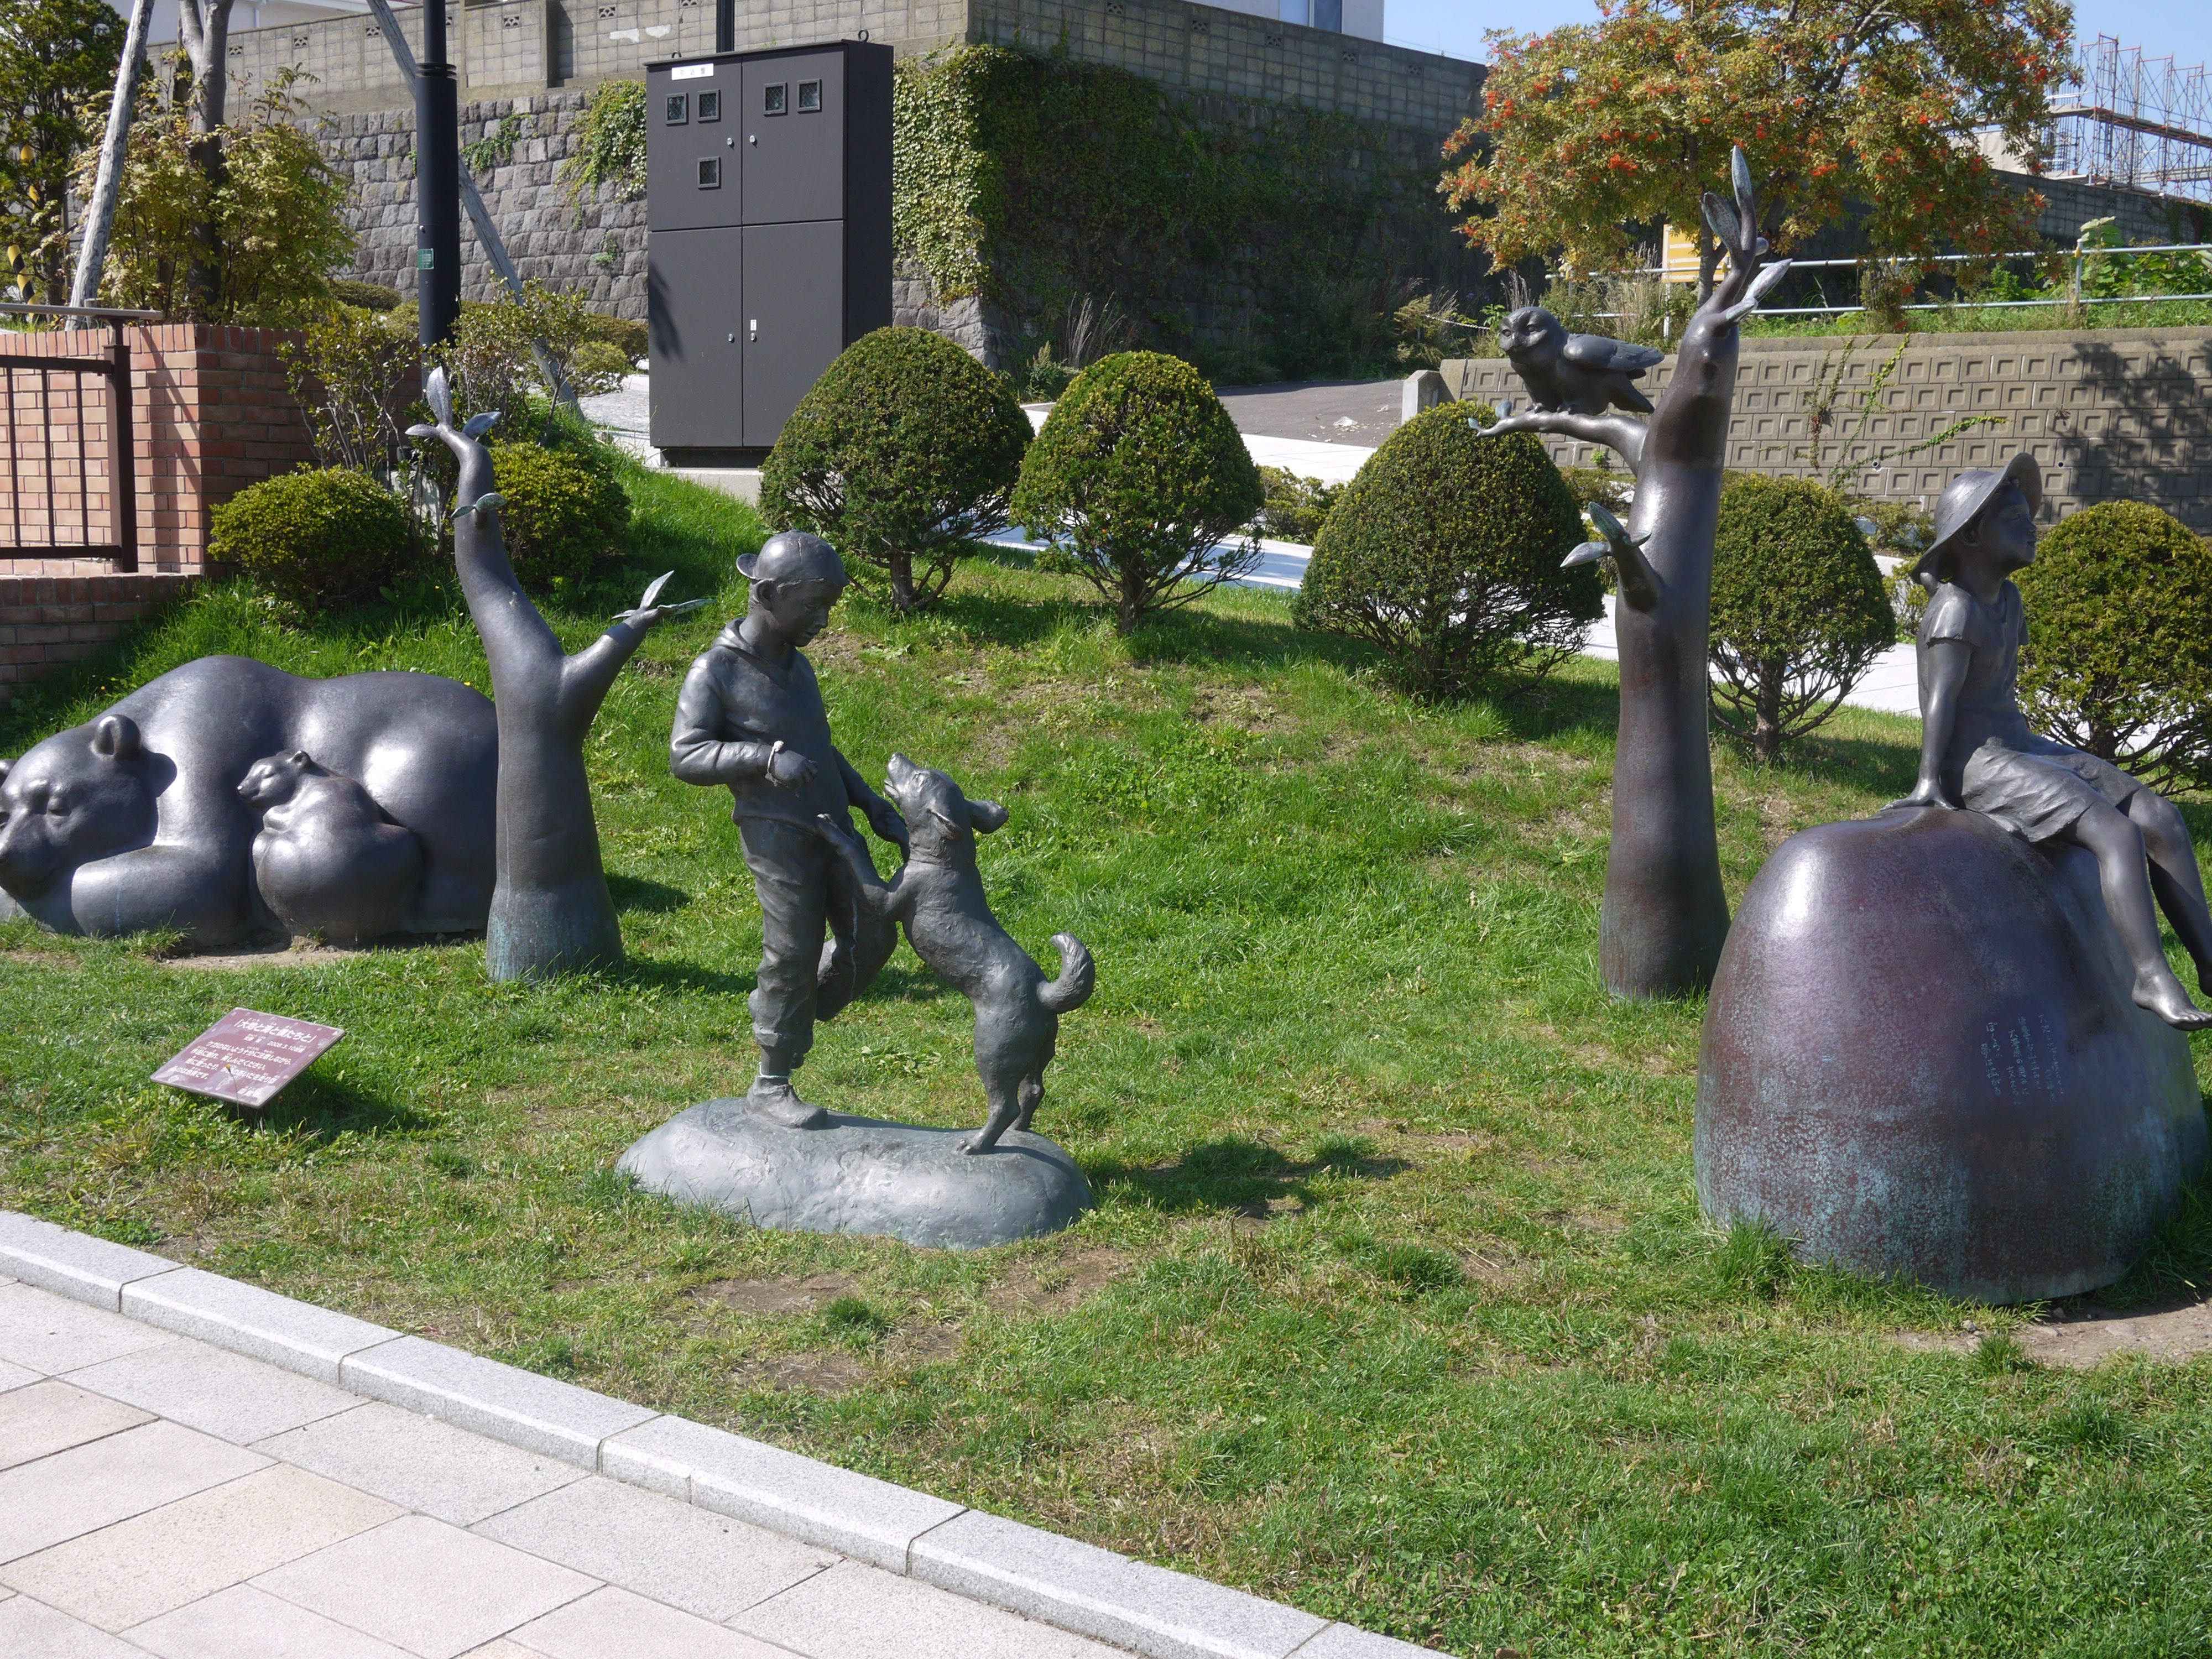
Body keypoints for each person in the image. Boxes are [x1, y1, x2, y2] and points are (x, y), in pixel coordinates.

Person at [1894, 453, 2212, 1030]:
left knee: (2160, 817)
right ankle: (2150, 976)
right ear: (1973, 536)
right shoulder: (1954, 610)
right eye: (2015, 519)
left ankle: (2210, 963)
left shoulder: (2008, 601)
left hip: (2016, 742)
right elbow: (1939, 701)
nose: (2032, 527)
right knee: (2116, 833)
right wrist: (1929, 781)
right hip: (1977, 763)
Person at [669, 531, 910, 1125]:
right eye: (814, 607)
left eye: (830, 607)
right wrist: (763, 759)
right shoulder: (715, 671)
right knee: (792, 950)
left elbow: (820, 749)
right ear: (768, 594)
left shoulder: (797, 667)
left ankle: (789, 1002)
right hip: (776, 834)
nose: (824, 621)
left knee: (875, 933)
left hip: (834, 828)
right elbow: (685, 755)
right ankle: (772, 1079)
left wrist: (869, 803)